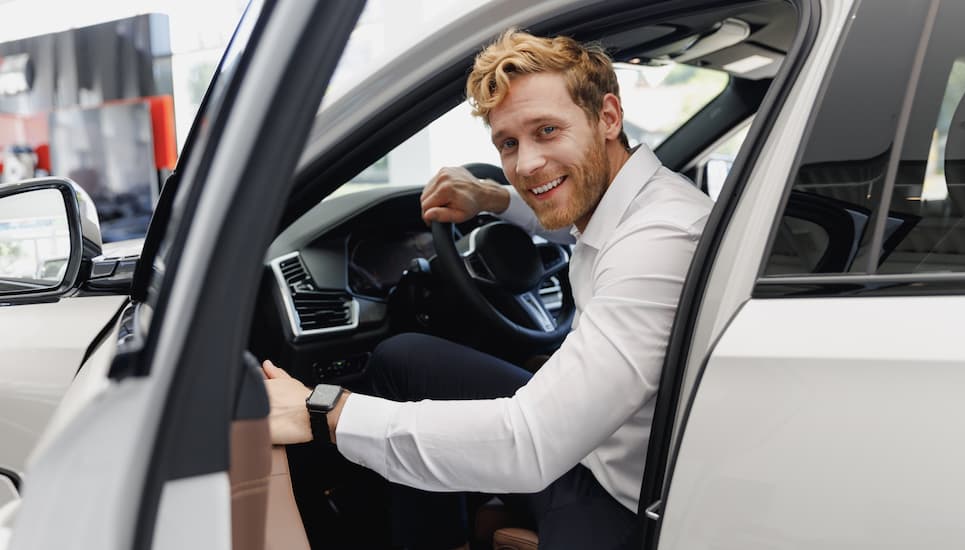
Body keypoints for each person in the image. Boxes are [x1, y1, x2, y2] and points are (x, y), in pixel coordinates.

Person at [264, 29, 713, 550]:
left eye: (547, 130)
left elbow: (528, 442)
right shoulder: (633, 199)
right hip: (595, 444)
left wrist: (323, 410)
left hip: (621, 497)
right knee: (404, 360)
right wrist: (491, 199)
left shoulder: (656, 242)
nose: (526, 164)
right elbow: (567, 208)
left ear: (608, 117)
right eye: (508, 143)